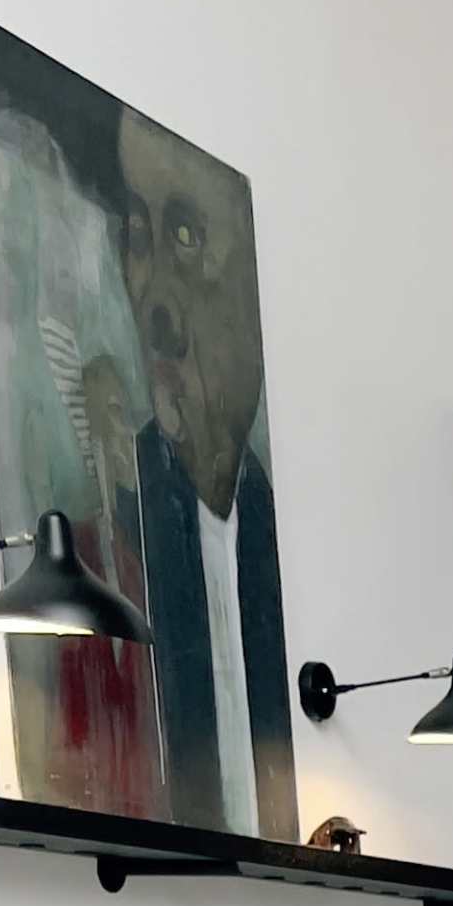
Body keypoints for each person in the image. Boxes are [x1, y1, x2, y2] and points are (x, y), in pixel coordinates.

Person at [118, 106, 296, 839]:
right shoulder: (116, 533)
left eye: (187, 237)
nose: (157, 296)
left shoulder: (265, 525)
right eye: (138, 237)